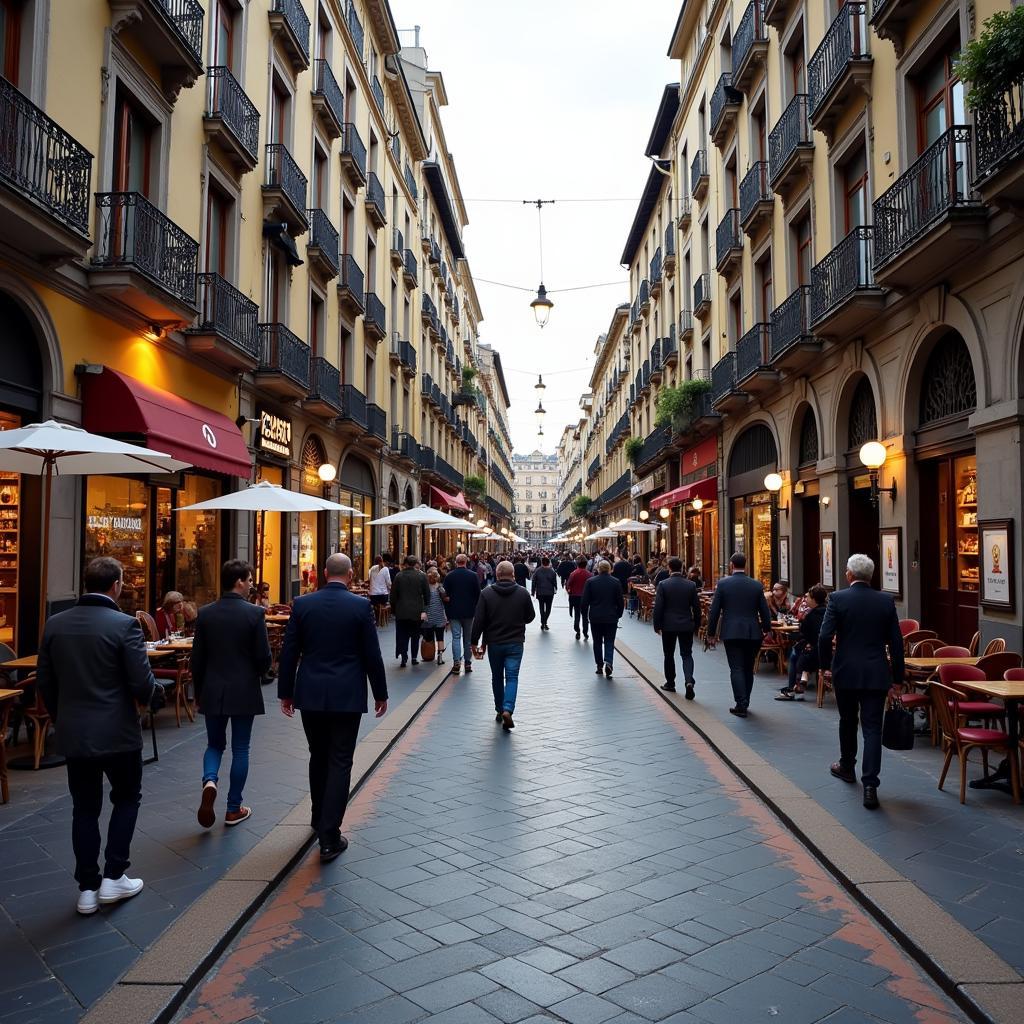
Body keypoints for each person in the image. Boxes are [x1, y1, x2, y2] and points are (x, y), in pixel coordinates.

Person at [36, 556, 162, 915]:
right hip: (118, 732)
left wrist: (64, 718)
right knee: (126, 798)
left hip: (76, 734)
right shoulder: (125, 626)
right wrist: (154, 696)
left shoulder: (55, 625)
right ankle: (114, 875)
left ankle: (87, 887)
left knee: (84, 808)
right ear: (117, 585)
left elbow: (45, 681)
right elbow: (141, 681)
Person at [278, 554, 388, 860]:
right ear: (351, 575)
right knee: (340, 760)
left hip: (310, 693)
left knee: (318, 756)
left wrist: (285, 693)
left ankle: (317, 818)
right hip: (346, 695)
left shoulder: (302, 604)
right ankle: (329, 835)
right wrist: (380, 692)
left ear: (324, 573)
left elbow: (289, 652)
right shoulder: (359, 606)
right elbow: (372, 654)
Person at [818, 555, 905, 810]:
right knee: (872, 729)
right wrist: (897, 679)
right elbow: (897, 644)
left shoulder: (837, 599)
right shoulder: (885, 601)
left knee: (847, 720)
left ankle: (847, 766)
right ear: (871, 575)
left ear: (848, 575)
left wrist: (824, 666)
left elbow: (824, 635)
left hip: (845, 671)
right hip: (876, 673)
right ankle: (870, 785)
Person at [191, 560, 272, 828]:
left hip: (212, 688)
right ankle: (233, 808)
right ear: (239, 581)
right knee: (240, 748)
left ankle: (210, 780)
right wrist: (261, 672)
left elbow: (197, 659)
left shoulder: (205, 613)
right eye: (249, 580)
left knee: (214, 744)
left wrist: (198, 691)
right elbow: (263, 657)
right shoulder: (254, 614)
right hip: (243, 689)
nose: (251, 585)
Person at [471, 560, 536, 730]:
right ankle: (508, 708)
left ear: (497, 575)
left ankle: (499, 709)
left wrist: (474, 642)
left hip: (495, 643)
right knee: (512, 677)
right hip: (515, 642)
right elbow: (530, 617)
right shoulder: (522, 593)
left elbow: (479, 621)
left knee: (497, 677)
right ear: (513, 574)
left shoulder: (486, 593)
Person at [707, 552, 773, 718]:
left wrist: (711, 633)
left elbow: (714, 611)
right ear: (746, 565)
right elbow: (765, 611)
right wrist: (767, 629)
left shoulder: (723, 584)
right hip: (752, 632)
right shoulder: (756, 585)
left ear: (731, 565)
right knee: (748, 668)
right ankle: (746, 701)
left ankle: (741, 703)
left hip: (731, 632)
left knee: (736, 668)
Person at [653, 557, 702, 699]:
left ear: (669, 568)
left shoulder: (663, 584)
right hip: (686, 624)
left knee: (669, 654)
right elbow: (697, 608)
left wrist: (657, 625)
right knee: (687, 654)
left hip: (668, 625)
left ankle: (670, 682)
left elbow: (659, 607)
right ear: (682, 568)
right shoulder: (691, 585)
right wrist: (696, 625)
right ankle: (688, 680)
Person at [776, 585, 828, 701]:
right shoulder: (827, 611)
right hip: (828, 650)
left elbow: (805, 634)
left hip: (819, 653)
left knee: (795, 654)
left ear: (814, 599)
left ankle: (793, 688)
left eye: (808, 597)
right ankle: (800, 680)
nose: (805, 600)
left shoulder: (811, 616)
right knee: (800, 652)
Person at [581, 560, 625, 678]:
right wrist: (618, 614)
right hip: (611, 617)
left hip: (595, 617)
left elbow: (585, 602)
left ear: (598, 569)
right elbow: (620, 602)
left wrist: (584, 615)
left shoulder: (590, 582)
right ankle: (609, 661)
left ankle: (599, 666)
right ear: (610, 569)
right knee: (609, 641)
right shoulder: (615, 582)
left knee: (597, 642)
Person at [444, 553, 482, 675]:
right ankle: (467, 663)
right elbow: (478, 594)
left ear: (456, 562)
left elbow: (445, 595)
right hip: (469, 612)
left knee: (455, 637)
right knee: (468, 639)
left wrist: (447, 608)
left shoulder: (449, 576)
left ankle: (456, 663)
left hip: (454, 611)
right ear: (466, 562)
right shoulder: (473, 576)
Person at [389, 554, 430, 667]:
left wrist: (394, 609)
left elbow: (393, 596)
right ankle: (414, 657)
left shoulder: (399, 576)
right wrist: (425, 609)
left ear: (405, 564)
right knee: (415, 635)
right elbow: (427, 595)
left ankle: (403, 656)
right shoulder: (422, 576)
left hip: (401, 611)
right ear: (415, 564)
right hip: (417, 611)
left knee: (403, 634)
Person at [423, 568, 449, 665]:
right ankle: (440, 658)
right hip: (439, 616)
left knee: (429, 638)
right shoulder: (440, 588)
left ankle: (428, 655)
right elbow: (445, 599)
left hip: (429, 616)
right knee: (440, 638)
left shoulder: (425, 589)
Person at [566, 555, 592, 640]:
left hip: (575, 597)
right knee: (585, 616)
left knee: (577, 615)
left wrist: (570, 592)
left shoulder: (573, 574)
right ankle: (585, 632)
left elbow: (568, 585)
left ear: (577, 564)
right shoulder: (589, 575)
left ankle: (577, 630)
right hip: (586, 598)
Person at [530, 556, 558, 631]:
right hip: (549, 592)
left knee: (541, 607)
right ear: (548, 563)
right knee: (548, 608)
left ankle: (543, 622)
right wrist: (556, 589)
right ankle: (545, 621)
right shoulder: (552, 571)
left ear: (542, 563)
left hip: (540, 592)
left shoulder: (537, 571)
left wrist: (533, 591)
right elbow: (554, 582)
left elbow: (534, 581)